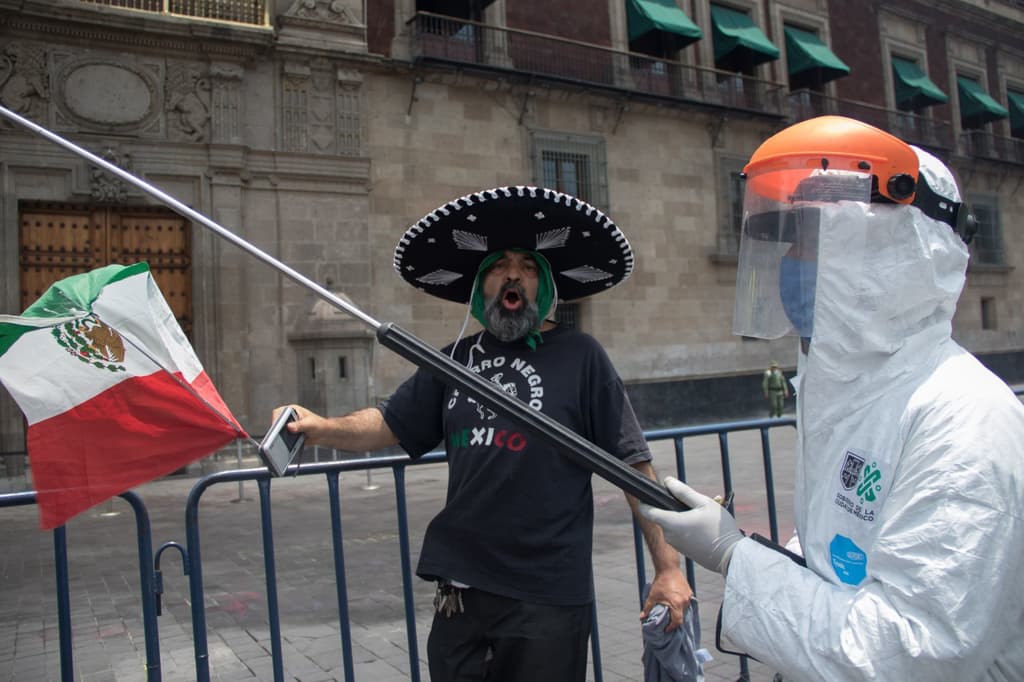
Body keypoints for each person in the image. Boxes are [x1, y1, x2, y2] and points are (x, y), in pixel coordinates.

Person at [640, 116, 1024, 681]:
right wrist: (774, 556)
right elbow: (842, 562)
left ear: (896, 250)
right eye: (792, 242)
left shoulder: (963, 419)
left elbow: (912, 657)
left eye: (816, 241)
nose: (794, 262)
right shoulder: (850, 394)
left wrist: (735, 558)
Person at [275, 186, 692, 682]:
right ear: (481, 286)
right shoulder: (452, 360)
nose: (513, 274)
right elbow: (390, 423)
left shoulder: (582, 356)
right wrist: (319, 426)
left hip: (547, 597)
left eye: (528, 266)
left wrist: (667, 567)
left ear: (545, 286)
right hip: (461, 591)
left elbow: (632, 465)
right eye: (497, 265)